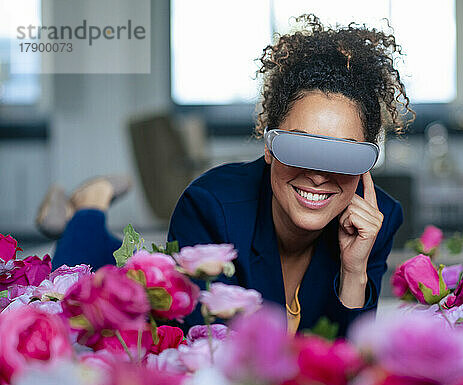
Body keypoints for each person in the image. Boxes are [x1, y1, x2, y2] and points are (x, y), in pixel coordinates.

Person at [41, 14, 412, 337]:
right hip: (148, 289)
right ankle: (92, 201)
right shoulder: (209, 206)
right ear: (269, 146)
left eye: (342, 154)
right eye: (301, 147)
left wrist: (354, 271)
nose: (317, 175)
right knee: (85, 288)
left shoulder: (376, 221)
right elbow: (208, 348)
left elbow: (340, 365)